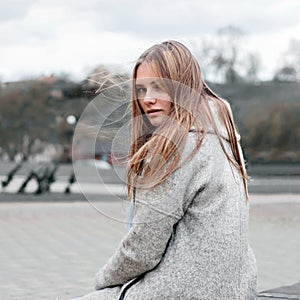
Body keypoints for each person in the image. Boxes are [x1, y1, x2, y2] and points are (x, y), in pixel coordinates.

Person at [74, 40, 257, 299]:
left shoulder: (175, 146)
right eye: (141, 89)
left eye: (159, 86)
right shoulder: (222, 136)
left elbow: (142, 250)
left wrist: (103, 280)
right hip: (236, 289)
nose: (148, 99)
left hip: (188, 291)